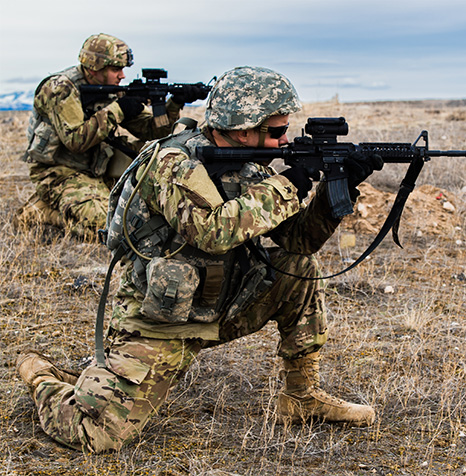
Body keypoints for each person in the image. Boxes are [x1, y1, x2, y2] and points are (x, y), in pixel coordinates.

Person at [16, 66, 384, 453]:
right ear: (244, 129)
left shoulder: (250, 165)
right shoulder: (172, 163)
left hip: (224, 303)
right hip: (162, 321)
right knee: (97, 435)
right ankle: (41, 375)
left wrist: (335, 191)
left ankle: (301, 397)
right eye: (277, 132)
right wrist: (288, 185)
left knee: (298, 270)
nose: (285, 140)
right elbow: (211, 232)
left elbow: (298, 241)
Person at [14, 33, 207, 240]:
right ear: (93, 67)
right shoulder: (60, 88)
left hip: (97, 168)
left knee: (144, 206)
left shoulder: (112, 91)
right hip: (59, 172)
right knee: (110, 227)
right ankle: (41, 212)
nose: (122, 76)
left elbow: (154, 133)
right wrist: (118, 110)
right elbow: (75, 141)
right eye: (116, 69)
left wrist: (175, 103)